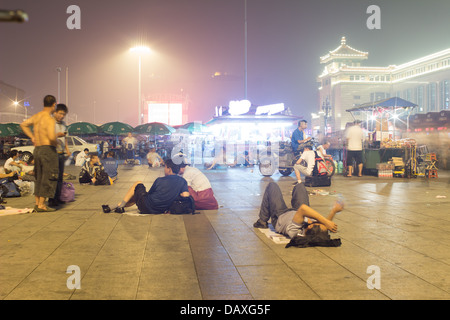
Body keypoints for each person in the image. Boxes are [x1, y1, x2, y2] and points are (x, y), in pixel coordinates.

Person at [253, 182, 343, 239]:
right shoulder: (313, 230)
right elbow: (325, 227)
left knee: (272, 186)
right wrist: (334, 211)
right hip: (297, 212)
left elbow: (303, 209)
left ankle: (262, 221)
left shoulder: (295, 232)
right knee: (300, 186)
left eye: (318, 223)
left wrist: (326, 222)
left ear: (310, 227)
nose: (321, 223)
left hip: (280, 215)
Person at [104, 158, 189, 214]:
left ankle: (120, 205)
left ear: (169, 169)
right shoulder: (183, 182)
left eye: (165, 167)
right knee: (138, 195)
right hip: (161, 210)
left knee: (138, 184)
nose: (164, 169)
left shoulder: (160, 180)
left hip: (146, 207)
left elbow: (149, 195)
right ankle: (117, 206)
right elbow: (185, 196)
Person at [20, 95, 59, 212]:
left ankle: (37, 203)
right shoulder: (50, 119)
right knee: (49, 176)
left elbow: (23, 124)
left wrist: (32, 136)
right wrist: (56, 142)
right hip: (48, 150)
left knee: (39, 176)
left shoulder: (37, 116)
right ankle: (42, 205)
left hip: (37, 149)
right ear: (54, 104)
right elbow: (51, 137)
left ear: (43, 104)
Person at [49, 104, 71, 207]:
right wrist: (57, 135)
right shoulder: (50, 123)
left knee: (60, 177)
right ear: (55, 112)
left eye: (63, 114)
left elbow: (65, 138)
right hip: (52, 152)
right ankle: (51, 199)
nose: (61, 116)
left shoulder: (63, 124)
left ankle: (58, 197)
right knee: (53, 177)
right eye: (60, 113)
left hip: (61, 153)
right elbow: (47, 136)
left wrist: (67, 149)